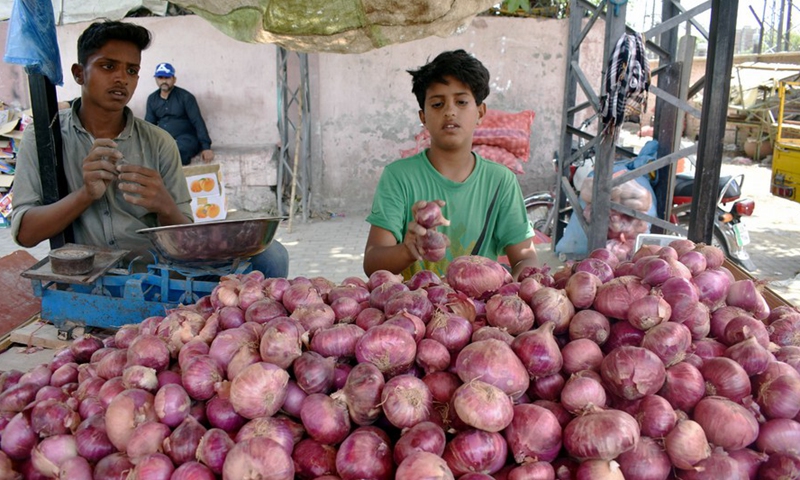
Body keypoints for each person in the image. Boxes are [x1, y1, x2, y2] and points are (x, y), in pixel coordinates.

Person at [11, 20, 288, 278]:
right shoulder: (44, 139)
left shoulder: (159, 142)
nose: (122, 78)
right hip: (89, 276)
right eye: (108, 66)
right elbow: (25, 233)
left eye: (131, 70)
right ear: (79, 73)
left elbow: (187, 234)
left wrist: (165, 204)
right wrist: (84, 195)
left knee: (271, 257)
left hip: (159, 273)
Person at [364, 49, 538, 281]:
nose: (450, 111)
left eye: (462, 101)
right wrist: (408, 250)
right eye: (437, 104)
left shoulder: (500, 181)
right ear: (423, 116)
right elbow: (372, 262)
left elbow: (525, 257)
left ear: (480, 112)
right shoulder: (398, 177)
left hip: (478, 312)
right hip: (415, 312)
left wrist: (524, 284)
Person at [145, 62, 213, 166]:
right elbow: (148, 126)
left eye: (167, 77)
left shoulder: (185, 97)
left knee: (176, 152)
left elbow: (197, 121)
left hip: (186, 139)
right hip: (164, 140)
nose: (164, 81)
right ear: (156, 80)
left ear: (174, 79)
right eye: (160, 78)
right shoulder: (152, 99)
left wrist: (206, 147)